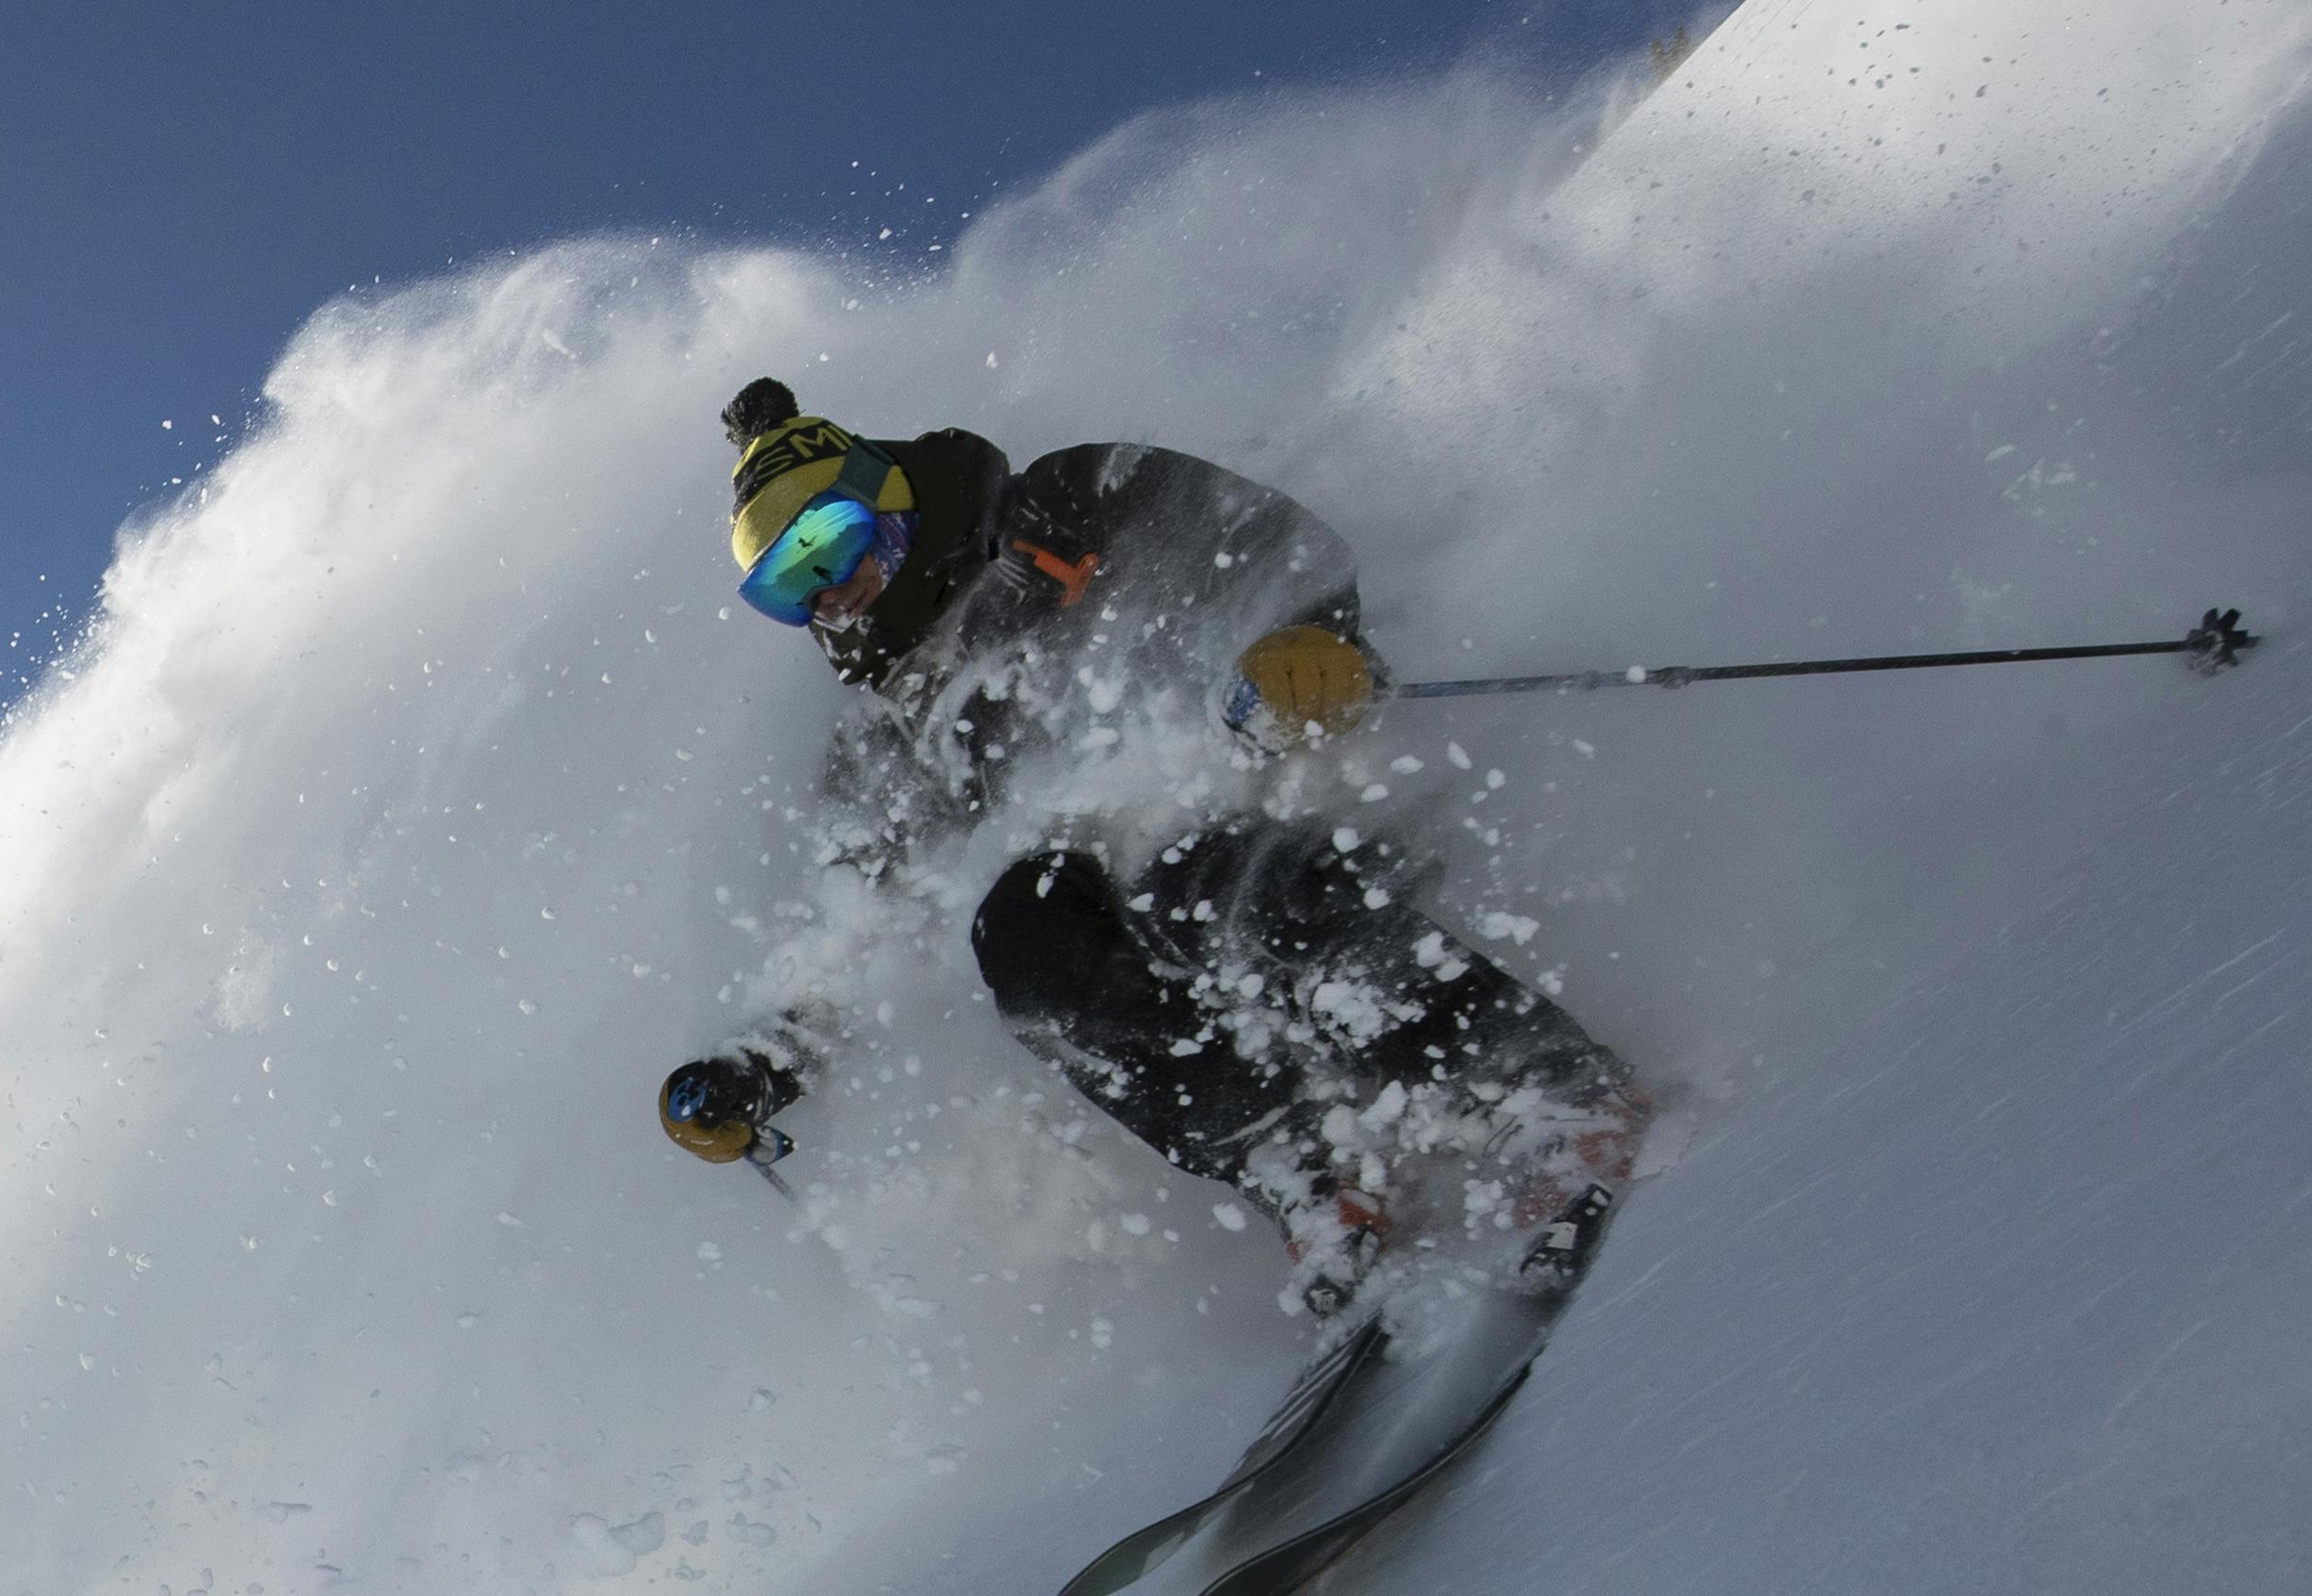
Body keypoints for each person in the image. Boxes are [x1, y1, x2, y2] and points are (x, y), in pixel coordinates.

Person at [660, 377, 1641, 1313]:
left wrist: (1307, 638)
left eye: (834, 539)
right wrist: (763, 1067)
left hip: (1288, 782)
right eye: (792, 585)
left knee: (1185, 867)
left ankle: (1541, 1083)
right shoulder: (887, 738)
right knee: (1020, 934)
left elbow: (1272, 540)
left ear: (892, 495)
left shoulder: (1059, 506)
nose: (834, 590)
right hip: (1140, 908)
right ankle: (1306, 1161)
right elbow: (862, 927)